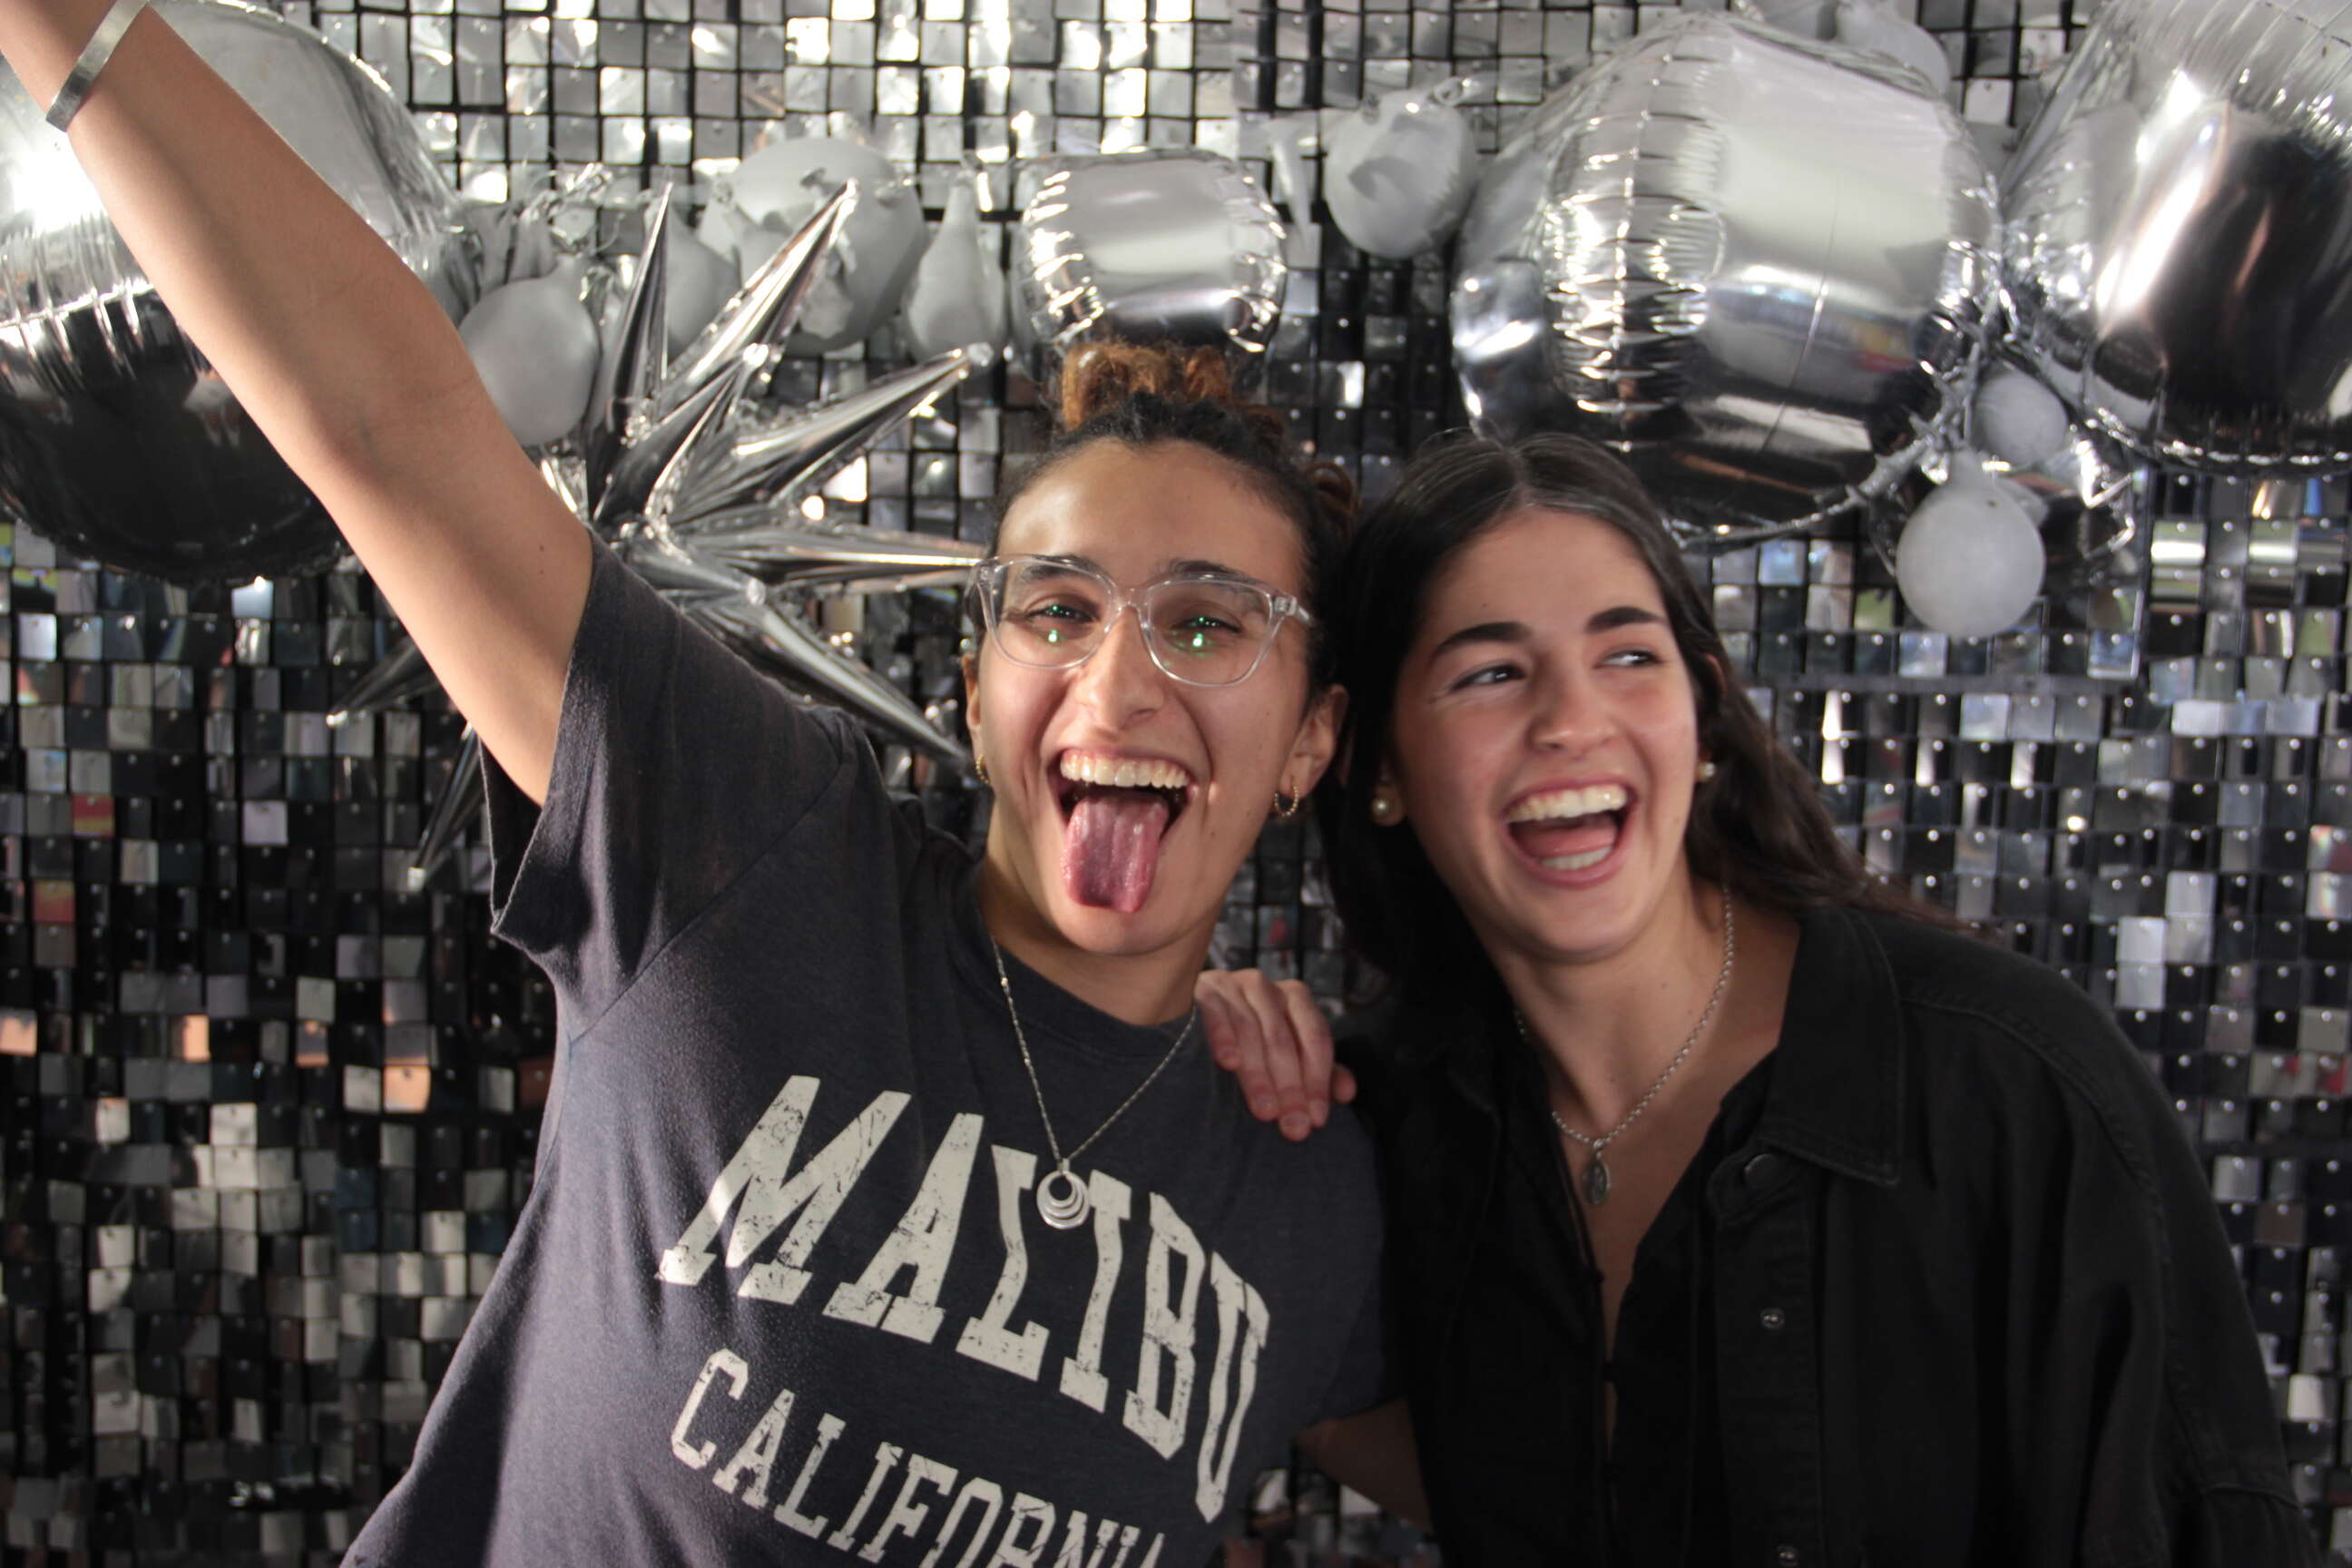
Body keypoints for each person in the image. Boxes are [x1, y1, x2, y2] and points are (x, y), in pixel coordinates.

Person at [0, 6, 1389, 1563]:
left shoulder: (1312, 1181)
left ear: (1313, 739)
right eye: (1056, 610)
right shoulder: (760, 859)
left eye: (1206, 623)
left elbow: (1561, 1471)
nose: (1118, 681)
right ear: (973, 685)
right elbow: (391, 427)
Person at [1198, 431, 2317, 1566]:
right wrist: (1201, 1065)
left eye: (1627, 656)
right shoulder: (1386, 1131)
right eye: (1490, 672)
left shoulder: (2013, 1083)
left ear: (1704, 713)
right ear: (1376, 764)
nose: (1572, 721)